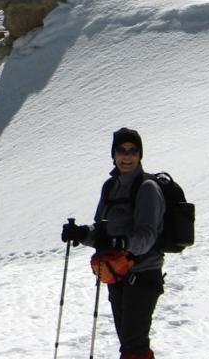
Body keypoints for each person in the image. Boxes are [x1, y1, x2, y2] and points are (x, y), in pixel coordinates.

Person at [61, 127, 166, 359]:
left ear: (140, 155)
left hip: (142, 275)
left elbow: (148, 236)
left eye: (132, 151)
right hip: (115, 274)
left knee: (132, 347)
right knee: (131, 344)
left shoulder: (147, 188)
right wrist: (80, 234)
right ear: (113, 154)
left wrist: (121, 242)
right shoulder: (110, 187)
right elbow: (102, 232)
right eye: (121, 150)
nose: (126, 156)